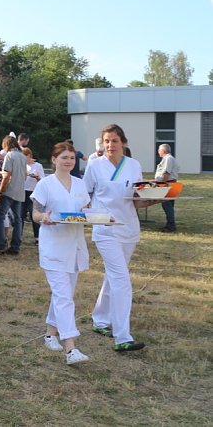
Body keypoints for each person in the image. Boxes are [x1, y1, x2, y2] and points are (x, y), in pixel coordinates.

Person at [83, 123, 156, 352]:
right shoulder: (94, 166)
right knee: (121, 279)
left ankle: (100, 320)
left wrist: (154, 199)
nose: (110, 145)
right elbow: (83, 196)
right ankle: (122, 336)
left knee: (113, 276)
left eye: (114, 141)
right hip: (105, 230)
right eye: (106, 141)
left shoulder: (133, 165)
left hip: (128, 229)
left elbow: (137, 200)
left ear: (122, 142)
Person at [31, 142, 92, 365]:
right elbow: (35, 213)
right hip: (53, 247)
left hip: (74, 247)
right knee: (64, 297)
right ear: (54, 159)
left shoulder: (79, 183)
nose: (69, 161)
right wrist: (44, 218)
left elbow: (85, 210)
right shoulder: (45, 184)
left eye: (72, 158)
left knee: (63, 295)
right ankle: (70, 348)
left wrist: (95, 215)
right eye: (64, 157)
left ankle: (50, 334)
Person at [0, 135, 26, 255]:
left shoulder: (9, 155)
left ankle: (0, 245)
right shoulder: (22, 156)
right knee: (18, 220)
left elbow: (6, 176)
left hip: (9, 191)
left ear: (6, 145)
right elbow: (24, 174)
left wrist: (0, 191)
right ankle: (15, 247)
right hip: (19, 190)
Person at [154, 144, 179, 233]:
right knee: (168, 205)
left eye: (159, 150)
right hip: (169, 183)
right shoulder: (168, 158)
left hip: (168, 183)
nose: (158, 152)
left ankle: (171, 226)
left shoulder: (168, 159)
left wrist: (162, 184)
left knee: (167, 204)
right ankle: (170, 224)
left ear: (163, 150)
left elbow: (166, 173)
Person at [22, 147, 44, 244]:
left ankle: (37, 237)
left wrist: (37, 177)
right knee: (20, 214)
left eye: (25, 157)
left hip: (33, 192)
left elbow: (43, 180)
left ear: (29, 156)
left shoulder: (38, 166)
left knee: (33, 213)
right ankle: (19, 235)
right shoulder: (22, 165)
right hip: (22, 191)